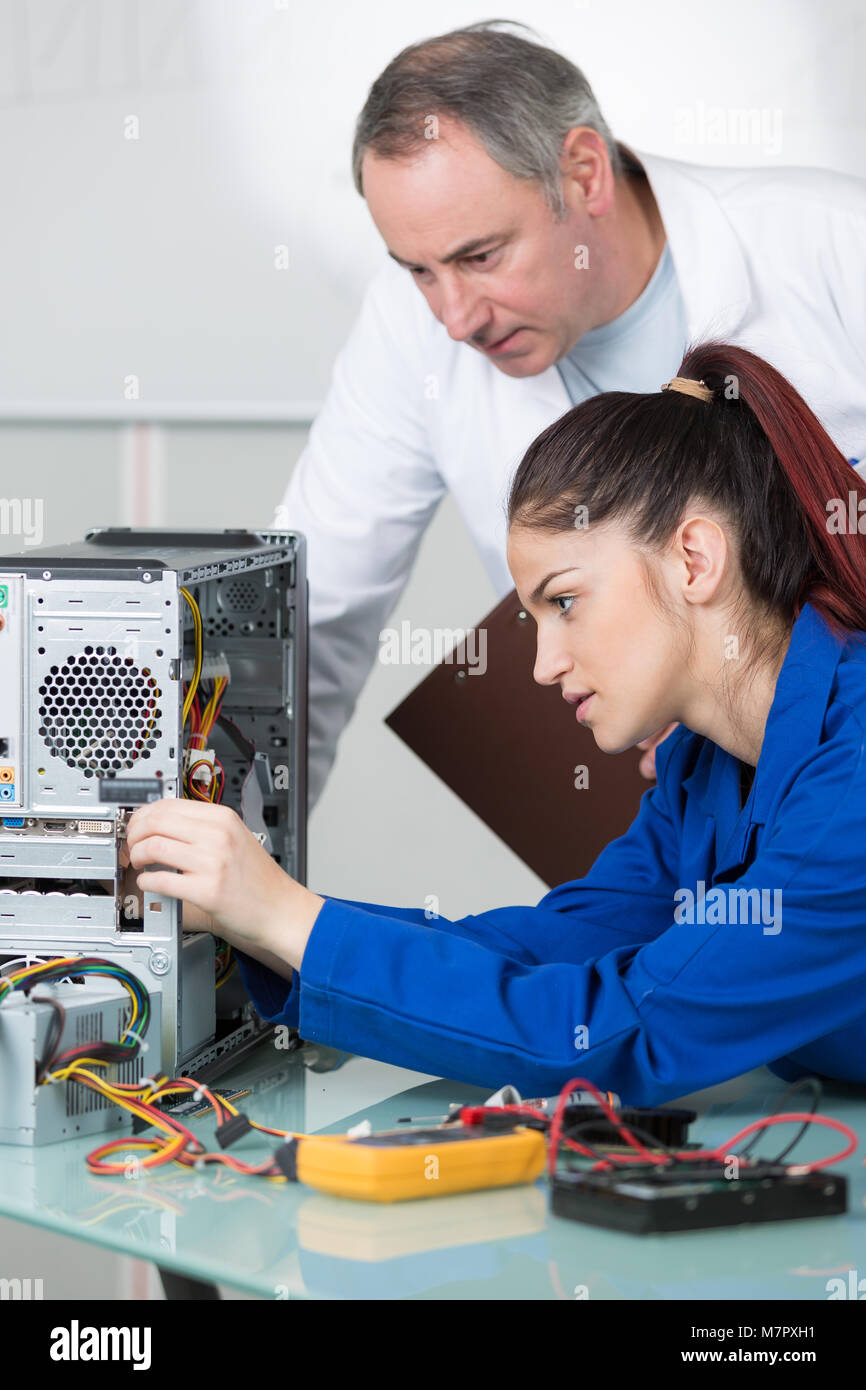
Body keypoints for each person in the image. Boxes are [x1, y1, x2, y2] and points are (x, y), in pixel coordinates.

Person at [125, 341, 866, 1105]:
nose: (543, 665)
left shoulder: (853, 783)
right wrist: (259, 920)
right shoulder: (703, 769)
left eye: (565, 602)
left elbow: (626, 1029)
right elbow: (546, 950)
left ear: (694, 560)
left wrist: (288, 918)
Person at [277, 20, 866, 799]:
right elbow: (312, 622)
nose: (455, 318)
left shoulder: (830, 239)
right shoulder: (408, 330)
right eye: (418, 270)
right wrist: (245, 855)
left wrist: (744, 693)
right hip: (663, 792)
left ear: (585, 173)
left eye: (481, 257)